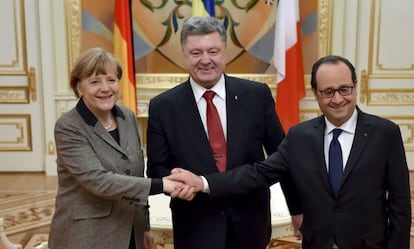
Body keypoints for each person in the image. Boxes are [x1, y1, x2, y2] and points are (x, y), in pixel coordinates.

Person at [169, 55, 412, 249]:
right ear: (316, 93)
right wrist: (203, 182)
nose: (338, 99)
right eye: (328, 92)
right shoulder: (300, 137)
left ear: (355, 87)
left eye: (345, 89)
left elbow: (400, 206)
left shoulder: (384, 133)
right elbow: (258, 173)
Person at [146, 16, 301, 249]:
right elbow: (157, 168)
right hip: (195, 226)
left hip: (251, 225)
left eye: (213, 51)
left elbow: (282, 159)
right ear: (184, 55)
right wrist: (181, 185)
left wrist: (297, 209)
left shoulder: (256, 96)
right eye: (196, 53)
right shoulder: (163, 106)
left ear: (225, 52)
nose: (206, 60)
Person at [48, 47, 181, 249]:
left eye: (111, 80)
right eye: (94, 82)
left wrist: (144, 225)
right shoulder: (68, 127)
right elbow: (99, 181)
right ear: (78, 87)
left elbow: (136, 173)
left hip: (130, 230)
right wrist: (162, 185)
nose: (105, 88)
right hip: (87, 235)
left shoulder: (126, 117)